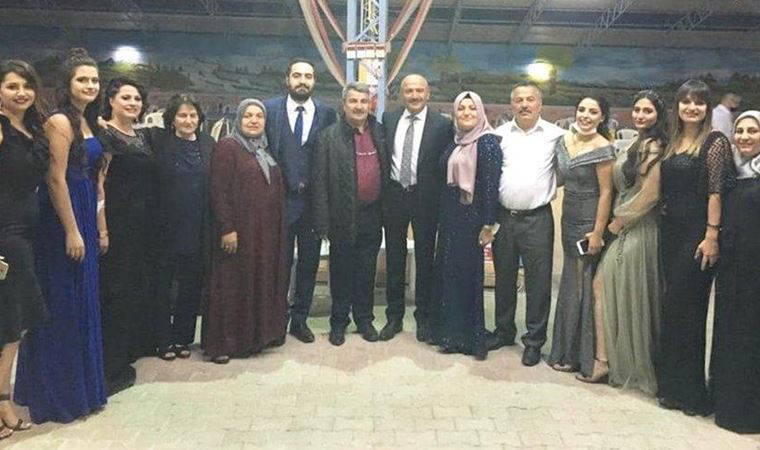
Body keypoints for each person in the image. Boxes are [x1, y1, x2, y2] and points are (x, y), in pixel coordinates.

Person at [15, 48, 108, 423]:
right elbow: (55, 179)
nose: (90, 85)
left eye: (94, 80)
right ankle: (58, 395)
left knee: (82, 302)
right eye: (82, 79)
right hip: (62, 218)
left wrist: (99, 225)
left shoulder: (89, 121)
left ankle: (83, 390)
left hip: (84, 209)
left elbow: (97, 180)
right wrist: (72, 230)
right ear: (67, 85)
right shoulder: (59, 121)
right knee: (62, 304)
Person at [657, 79, 735, 417]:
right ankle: (671, 388)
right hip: (669, 233)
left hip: (698, 235)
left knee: (690, 311)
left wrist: (712, 235)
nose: (692, 108)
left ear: (707, 108)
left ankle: (691, 394)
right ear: (677, 106)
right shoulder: (673, 141)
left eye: (699, 102)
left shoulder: (715, 142)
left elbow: (716, 192)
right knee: (672, 310)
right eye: (686, 102)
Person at [585, 90, 668, 392]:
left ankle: (609, 362)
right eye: (637, 109)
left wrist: (617, 224)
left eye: (647, 111)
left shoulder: (654, 146)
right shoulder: (636, 142)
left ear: (659, 115)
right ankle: (609, 360)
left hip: (637, 228)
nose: (640, 115)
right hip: (625, 226)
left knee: (609, 287)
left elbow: (650, 194)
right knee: (614, 290)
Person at [204, 99, 287, 364]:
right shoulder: (228, 147)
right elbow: (219, 191)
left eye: (259, 116)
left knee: (256, 282)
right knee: (232, 284)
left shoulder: (263, 148)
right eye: (248, 115)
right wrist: (227, 228)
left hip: (262, 233)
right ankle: (225, 343)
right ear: (238, 120)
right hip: (238, 232)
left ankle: (255, 338)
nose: (254, 120)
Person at [491, 81, 565, 366]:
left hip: (537, 219)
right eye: (519, 100)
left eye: (530, 99)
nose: (524, 104)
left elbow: (566, 172)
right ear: (512, 104)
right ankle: (504, 331)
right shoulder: (498, 135)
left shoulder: (556, 135)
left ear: (540, 104)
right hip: (504, 218)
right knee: (504, 277)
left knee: (538, 282)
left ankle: (534, 341)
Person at [264, 58, 336, 344]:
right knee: (278, 264)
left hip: (313, 205)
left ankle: (300, 320)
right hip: (279, 203)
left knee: (309, 264)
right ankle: (275, 321)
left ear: (314, 81)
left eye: (308, 76)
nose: (302, 81)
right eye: (297, 75)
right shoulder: (269, 110)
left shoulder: (327, 113)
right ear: (287, 79)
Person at [312, 82, 387, 346]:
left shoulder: (380, 132)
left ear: (370, 105)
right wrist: (323, 222)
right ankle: (338, 323)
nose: (358, 106)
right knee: (341, 272)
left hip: (372, 214)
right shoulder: (327, 137)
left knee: (367, 272)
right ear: (343, 104)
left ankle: (364, 320)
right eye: (353, 101)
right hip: (341, 216)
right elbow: (320, 182)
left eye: (363, 101)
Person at [380, 74, 453, 342]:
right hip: (394, 197)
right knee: (394, 259)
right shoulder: (388, 119)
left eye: (419, 90)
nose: (414, 95)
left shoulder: (442, 125)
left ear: (428, 93)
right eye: (409, 91)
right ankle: (394, 317)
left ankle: (424, 317)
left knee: (425, 260)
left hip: (426, 199)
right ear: (402, 94)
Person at [547, 95, 615, 376]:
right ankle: (565, 349)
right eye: (582, 110)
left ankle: (581, 356)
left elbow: (607, 193)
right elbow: (560, 178)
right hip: (569, 218)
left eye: (593, 112)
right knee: (570, 281)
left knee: (583, 284)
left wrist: (598, 232)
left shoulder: (603, 148)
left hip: (589, 221)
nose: (586, 115)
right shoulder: (564, 142)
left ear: (602, 117)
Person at [96, 77, 156, 395]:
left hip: (140, 226)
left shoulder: (141, 135)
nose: (133, 103)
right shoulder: (104, 135)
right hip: (116, 224)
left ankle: (127, 350)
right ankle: (110, 366)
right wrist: (102, 228)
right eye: (126, 98)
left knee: (132, 288)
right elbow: (99, 185)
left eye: (137, 99)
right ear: (111, 101)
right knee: (115, 293)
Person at [432, 91, 502, 360]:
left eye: (472, 108)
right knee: (449, 275)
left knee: (468, 277)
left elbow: (491, 187)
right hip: (451, 218)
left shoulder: (487, 142)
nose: (467, 113)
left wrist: (488, 225)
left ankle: (470, 338)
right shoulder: (455, 141)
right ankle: (450, 335)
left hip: (473, 220)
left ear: (481, 112)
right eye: (461, 108)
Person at [0, 59, 48, 438]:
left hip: (26, 234)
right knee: (8, 326)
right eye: (12, 86)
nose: (21, 93)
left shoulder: (31, 129)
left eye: (27, 86)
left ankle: (3, 399)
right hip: (5, 236)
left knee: (16, 323)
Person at [151, 94, 215, 361]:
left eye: (193, 115)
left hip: (197, 227)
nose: (188, 120)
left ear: (199, 119)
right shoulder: (159, 142)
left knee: (191, 286)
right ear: (172, 119)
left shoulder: (208, 144)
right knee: (162, 286)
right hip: (165, 227)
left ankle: (183, 338)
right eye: (182, 115)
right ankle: (162, 339)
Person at [712, 110, 760, 433]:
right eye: (739, 131)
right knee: (729, 331)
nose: (744, 137)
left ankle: (749, 412)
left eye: (752, 131)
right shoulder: (732, 170)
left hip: (756, 268)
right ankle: (726, 404)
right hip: (731, 266)